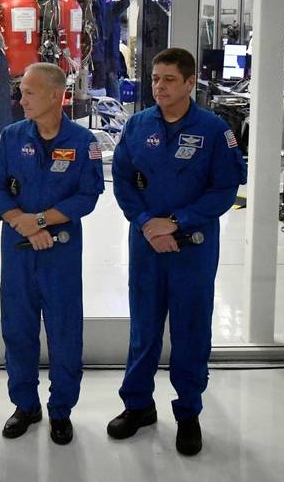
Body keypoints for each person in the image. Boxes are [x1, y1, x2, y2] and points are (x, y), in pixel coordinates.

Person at [108, 47, 245, 456]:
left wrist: (179, 221)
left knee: (190, 330)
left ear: (190, 83)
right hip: (147, 243)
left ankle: (188, 412)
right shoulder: (137, 127)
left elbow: (224, 189)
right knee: (144, 329)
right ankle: (138, 406)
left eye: (169, 79)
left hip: (192, 247)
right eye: (155, 78)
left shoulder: (214, 131)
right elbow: (122, 180)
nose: (159, 86)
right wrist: (148, 223)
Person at [0, 63, 104, 445]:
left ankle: (61, 410)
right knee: (18, 330)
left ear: (56, 96)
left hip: (61, 255)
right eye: (22, 92)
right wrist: (23, 222)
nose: (21, 99)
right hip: (18, 252)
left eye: (30, 93)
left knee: (65, 332)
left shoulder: (85, 142)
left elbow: (87, 196)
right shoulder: (10, 137)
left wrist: (38, 221)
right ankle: (25, 405)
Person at [91, 0, 133, 99]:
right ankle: (107, 107)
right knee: (103, 73)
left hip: (110, 50)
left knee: (111, 76)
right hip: (102, 49)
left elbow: (125, 2)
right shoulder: (99, 8)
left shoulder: (114, 8)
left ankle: (115, 106)